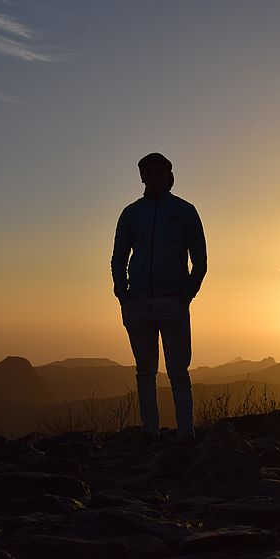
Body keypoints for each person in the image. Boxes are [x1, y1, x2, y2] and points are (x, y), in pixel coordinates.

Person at [110, 152, 207, 443]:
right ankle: (149, 432)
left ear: (169, 176)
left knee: (178, 371)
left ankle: (186, 433)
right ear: (141, 176)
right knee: (145, 372)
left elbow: (199, 259)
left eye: (159, 172)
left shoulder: (185, 210)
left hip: (172, 301)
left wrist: (185, 296)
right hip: (138, 303)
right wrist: (123, 294)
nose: (154, 177)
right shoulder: (130, 213)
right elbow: (119, 256)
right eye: (148, 172)